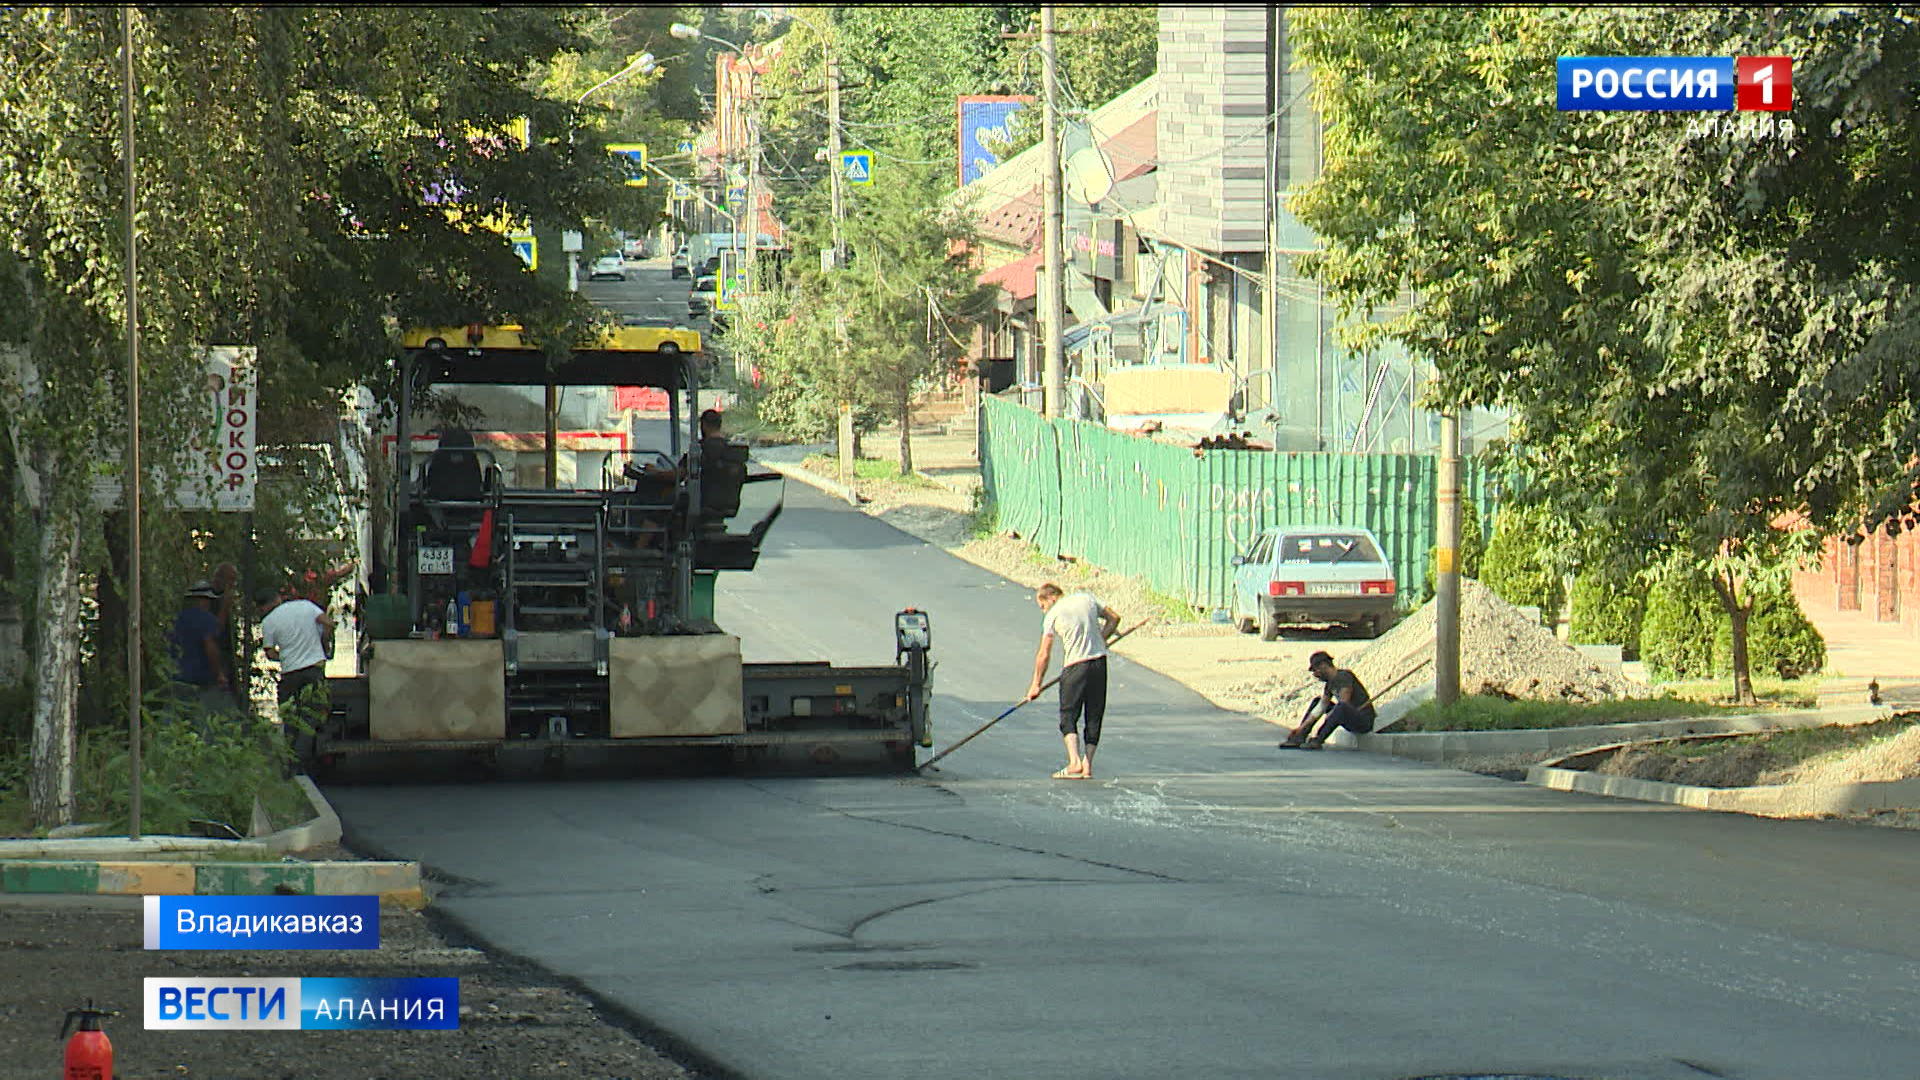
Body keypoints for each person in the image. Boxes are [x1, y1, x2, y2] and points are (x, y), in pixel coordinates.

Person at [1025, 583, 1120, 780]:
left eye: (1042, 606)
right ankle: (1087, 765)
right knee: (1094, 714)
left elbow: (1044, 654)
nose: (1044, 611)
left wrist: (1036, 684)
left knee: (1068, 715)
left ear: (1051, 598)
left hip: (1075, 666)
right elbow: (1114, 618)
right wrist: (1101, 639)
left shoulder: (1053, 614)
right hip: (1098, 663)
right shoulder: (1087, 598)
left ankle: (1074, 762)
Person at [256, 587, 336, 773]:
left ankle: (293, 763)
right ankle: (301, 763)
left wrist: (284, 656)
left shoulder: (268, 622)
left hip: (290, 673)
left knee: (290, 718)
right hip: (314, 670)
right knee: (311, 716)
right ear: (278, 598)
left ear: (265, 606)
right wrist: (323, 642)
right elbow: (329, 623)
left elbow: (269, 652)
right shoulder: (306, 606)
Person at [1278, 650, 1376, 750]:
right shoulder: (1329, 684)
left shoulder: (1344, 676)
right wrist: (1302, 727)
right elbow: (1321, 706)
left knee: (1341, 707)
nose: (1315, 674)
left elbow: (1344, 701)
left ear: (1323, 665)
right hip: (1346, 714)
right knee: (1317, 701)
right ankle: (1299, 737)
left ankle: (1318, 740)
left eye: (1315, 670)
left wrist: (1329, 717)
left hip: (1362, 720)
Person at [167, 581, 232, 715]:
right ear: (203, 601)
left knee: (178, 715)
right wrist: (219, 674)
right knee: (203, 719)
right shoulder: (206, 619)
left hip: (177, 677)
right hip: (200, 679)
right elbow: (210, 645)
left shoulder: (176, 619)